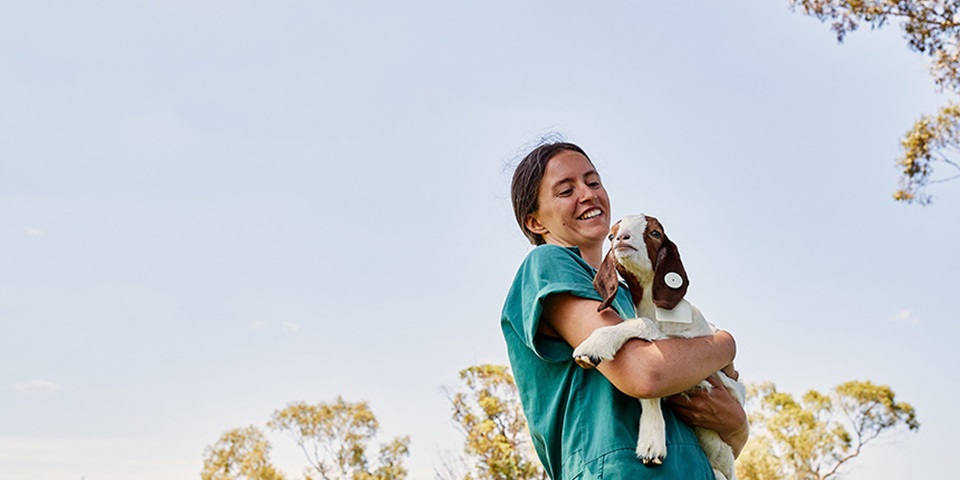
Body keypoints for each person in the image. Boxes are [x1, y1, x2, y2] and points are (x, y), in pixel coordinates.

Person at [501, 141, 748, 479]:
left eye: (593, 182)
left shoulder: (630, 296)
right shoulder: (547, 265)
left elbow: (717, 422)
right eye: (565, 190)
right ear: (535, 222)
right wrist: (726, 345)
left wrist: (737, 425)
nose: (588, 195)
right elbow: (646, 375)